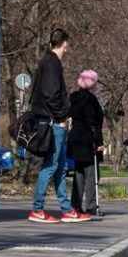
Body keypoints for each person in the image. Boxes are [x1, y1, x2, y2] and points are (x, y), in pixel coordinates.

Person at [29, 29, 91, 224]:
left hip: (53, 120)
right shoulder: (52, 64)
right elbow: (51, 94)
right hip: (53, 122)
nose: (68, 47)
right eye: (67, 44)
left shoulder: (48, 62)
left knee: (61, 166)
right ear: (64, 43)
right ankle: (37, 209)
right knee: (52, 165)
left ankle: (66, 209)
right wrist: (62, 116)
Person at [68, 70, 104, 215]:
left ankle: (75, 205)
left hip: (75, 139)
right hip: (87, 140)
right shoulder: (90, 100)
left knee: (79, 172)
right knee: (92, 174)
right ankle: (91, 205)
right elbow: (93, 123)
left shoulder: (74, 97)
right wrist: (99, 142)